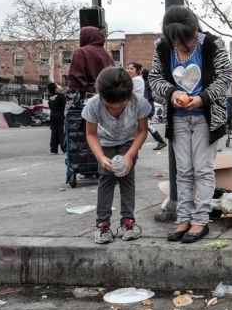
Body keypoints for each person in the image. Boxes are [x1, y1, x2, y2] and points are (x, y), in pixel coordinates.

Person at [149, 5, 232, 244]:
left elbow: (226, 76)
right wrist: (172, 93)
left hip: (206, 117)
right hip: (177, 119)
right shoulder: (162, 47)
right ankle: (184, 219)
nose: (179, 45)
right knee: (183, 171)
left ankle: (201, 220)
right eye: (174, 40)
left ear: (193, 31)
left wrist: (202, 98)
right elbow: (154, 78)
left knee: (203, 170)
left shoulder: (212, 44)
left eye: (183, 39)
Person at [82, 67, 152, 244]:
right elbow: (91, 134)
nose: (116, 108)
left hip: (129, 142)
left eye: (121, 104)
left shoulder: (139, 103)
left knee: (127, 179)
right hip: (105, 144)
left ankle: (128, 222)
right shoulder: (93, 104)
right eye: (110, 105)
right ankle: (103, 224)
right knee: (106, 180)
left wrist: (130, 155)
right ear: (101, 95)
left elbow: (143, 131)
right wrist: (100, 157)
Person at [126, 62, 168, 150]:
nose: (128, 70)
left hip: (143, 107)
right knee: (143, 126)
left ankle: (160, 141)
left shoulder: (136, 80)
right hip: (143, 107)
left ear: (137, 71)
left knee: (146, 125)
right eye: (128, 68)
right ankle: (139, 145)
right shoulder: (138, 80)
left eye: (131, 69)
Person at [68, 26, 115, 96]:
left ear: (85, 37)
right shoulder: (107, 55)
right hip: (107, 97)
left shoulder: (81, 52)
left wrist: (73, 96)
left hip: (88, 98)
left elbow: (76, 78)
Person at [47, 82, 66, 154]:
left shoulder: (50, 97)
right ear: (56, 89)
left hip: (52, 115)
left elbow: (50, 106)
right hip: (60, 115)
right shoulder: (61, 96)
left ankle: (53, 149)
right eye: (57, 86)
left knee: (54, 132)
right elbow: (64, 103)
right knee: (61, 132)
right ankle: (64, 148)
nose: (59, 86)